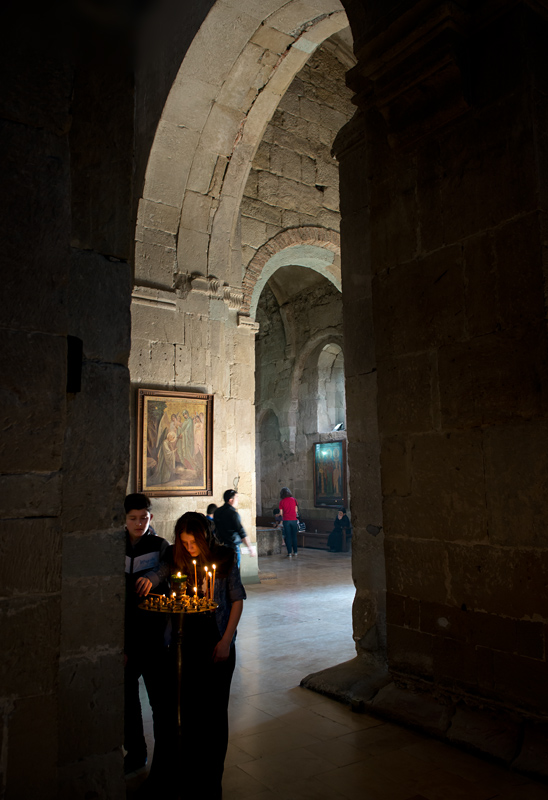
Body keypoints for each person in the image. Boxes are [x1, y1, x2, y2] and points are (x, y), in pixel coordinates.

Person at [143, 512, 246, 798]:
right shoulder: (179, 558)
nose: (189, 548)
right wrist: (151, 578)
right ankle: (187, 777)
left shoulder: (224, 558)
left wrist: (226, 640)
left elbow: (237, 600)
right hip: (186, 644)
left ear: (205, 538)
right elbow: (163, 569)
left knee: (213, 715)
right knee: (188, 712)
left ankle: (212, 781)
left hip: (216, 642)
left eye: (193, 542)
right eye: (184, 542)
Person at [124, 493, 170, 775]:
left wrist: (153, 577)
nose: (139, 523)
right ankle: (135, 751)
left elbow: (167, 567)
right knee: (128, 701)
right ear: (124, 519)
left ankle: (165, 757)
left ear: (151, 517)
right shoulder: (114, 544)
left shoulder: (158, 545)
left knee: (160, 701)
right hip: (127, 636)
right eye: (133, 518)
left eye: (144, 517)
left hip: (153, 636)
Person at [214, 489, 256, 566]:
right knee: (234, 572)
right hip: (232, 548)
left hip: (219, 547)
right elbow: (241, 532)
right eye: (236, 498)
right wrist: (250, 548)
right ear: (231, 500)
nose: (238, 500)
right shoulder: (233, 514)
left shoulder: (217, 512)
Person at [279, 487, 299, 557]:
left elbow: (281, 513)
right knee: (294, 536)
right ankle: (295, 552)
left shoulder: (282, 501)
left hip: (286, 520)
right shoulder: (294, 500)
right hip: (294, 520)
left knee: (288, 536)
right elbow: (296, 510)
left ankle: (289, 553)